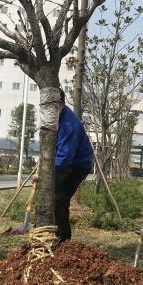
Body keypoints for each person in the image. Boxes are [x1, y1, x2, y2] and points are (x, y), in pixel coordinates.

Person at [39, 89, 93, 243]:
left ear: (61, 105)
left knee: (59, 197)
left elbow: (64, 157)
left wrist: (44, 174)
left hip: (78, 165)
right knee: (51, 194)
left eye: (52, 107)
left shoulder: (69, 125)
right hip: (64, 160)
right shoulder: (54, 117)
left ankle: (63, 239)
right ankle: (51, 230)